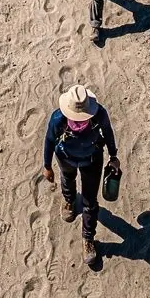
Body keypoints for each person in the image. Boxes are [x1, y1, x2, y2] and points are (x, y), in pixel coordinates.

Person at [43, 84, 120, 267]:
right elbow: (49, 140)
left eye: (82, 119)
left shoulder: (99, 114)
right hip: (65, 158)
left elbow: (108, 132)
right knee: (67, 178)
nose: (78, 123)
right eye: (75, 118)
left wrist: (113, 156)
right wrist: (47, 166)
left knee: (90, 202)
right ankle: (68, 199)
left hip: (92, 160)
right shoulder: (57, 119)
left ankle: (88, 239)